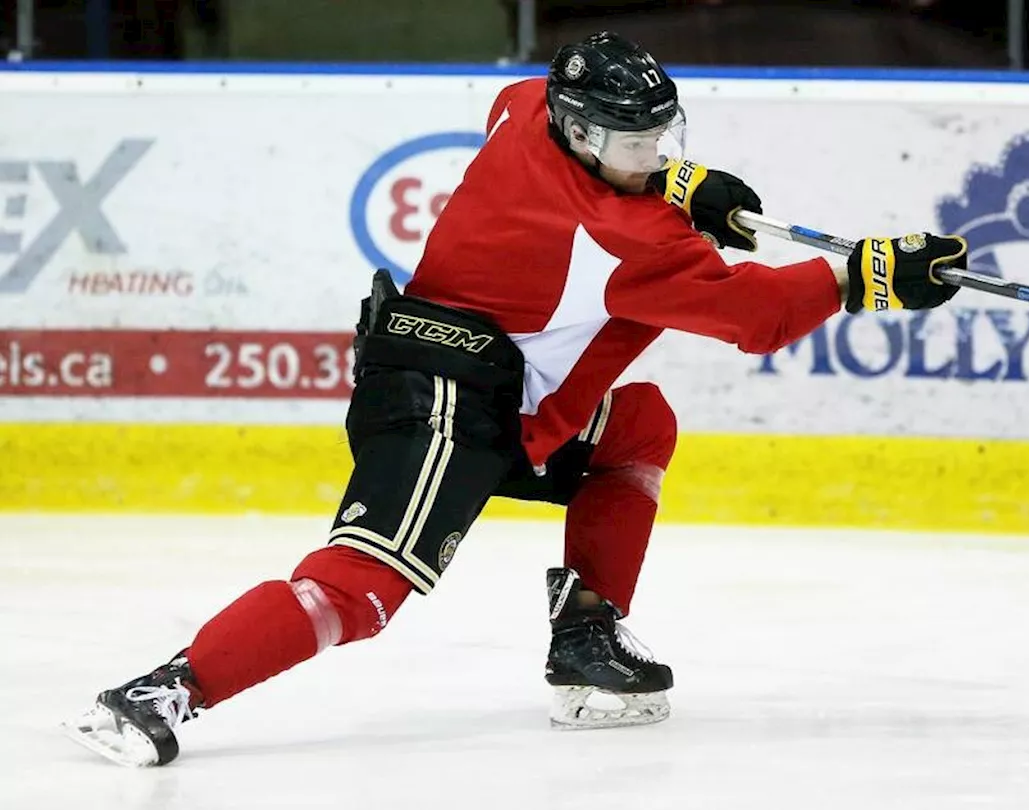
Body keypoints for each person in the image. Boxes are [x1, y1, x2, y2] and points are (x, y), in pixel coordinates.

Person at [63, 31, 966, 767]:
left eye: (665, 135)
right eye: (634, 143)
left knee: (640, 421)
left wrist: (685, 185)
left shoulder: (529, 105)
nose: (655, 156)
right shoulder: (624, 238)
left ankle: (585, 638)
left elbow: (523, 107)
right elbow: (759, 314)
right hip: (441, 401)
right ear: (580, 134)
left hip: (493, 384)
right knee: (364, 592)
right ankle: (159, 692)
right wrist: (871, 274)